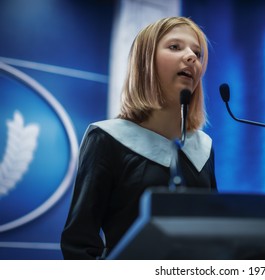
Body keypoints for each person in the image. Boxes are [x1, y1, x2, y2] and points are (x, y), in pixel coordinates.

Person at [60, 16, 216, 259]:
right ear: (146, 63)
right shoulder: (107, 139)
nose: (191, 57)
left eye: (197, 53)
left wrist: (246, 228)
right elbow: (79, 244)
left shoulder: (203, 147)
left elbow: (210, 234)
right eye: (175, 47)